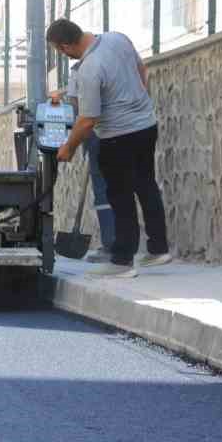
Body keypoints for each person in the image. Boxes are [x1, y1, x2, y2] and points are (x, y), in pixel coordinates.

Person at [47, 19, 170, 278]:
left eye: (60, 50)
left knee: (120, 196)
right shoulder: (117, 38)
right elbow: (141, 70)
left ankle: (122, 261)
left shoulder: (90, 68)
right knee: (146, 185)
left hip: (117, 137)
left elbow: (88, 118)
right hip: (147, 125)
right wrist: (137, 103)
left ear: (66, 45)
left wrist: (68, 148)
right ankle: (159, 249)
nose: (63, 54)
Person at [51, 63, 116, 263]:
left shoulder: (78, 71)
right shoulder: (112, 64)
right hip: (122, 130)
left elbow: (74, 105)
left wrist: (76, 138)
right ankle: (121, 243)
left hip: (95, 133)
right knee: (119, 189)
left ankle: (111, 245)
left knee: (103, 190)